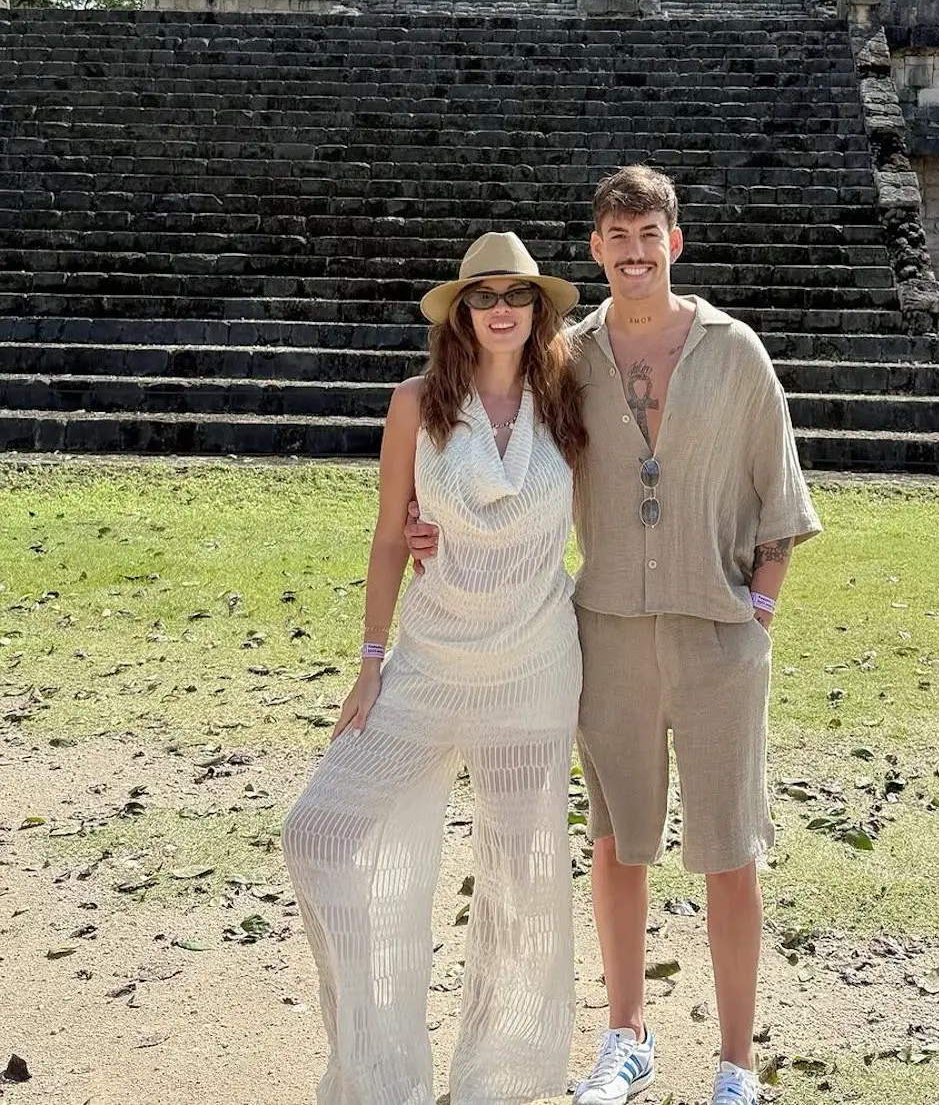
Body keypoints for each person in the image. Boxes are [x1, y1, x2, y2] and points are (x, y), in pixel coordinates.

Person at [407, 167, 822, 1105]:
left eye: (649, 236)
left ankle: (735, 1064)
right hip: (605, 639)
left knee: (727, 851)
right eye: (616, 237)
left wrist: (758, 610)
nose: (634, 252)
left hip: (719, 638)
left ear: (674, 242)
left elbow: (781, 499)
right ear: (594, 249)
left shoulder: (736, 351)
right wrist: (432, 521)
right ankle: (626, 1037)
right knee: (616, 843)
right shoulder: (571, 358)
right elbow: (493, 434)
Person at [283, 230, 587, 1105]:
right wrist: (370, 662)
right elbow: (389, 536)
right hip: (426, 659)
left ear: (538, 313)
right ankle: (378, 1072)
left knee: (520, 874)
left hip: (533, 663)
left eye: (517, 296)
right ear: (460, 313)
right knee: (317, 832)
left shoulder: (567, 398)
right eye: (483, 296)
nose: (500, 309)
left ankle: (500, 1077)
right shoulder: (416, 403)